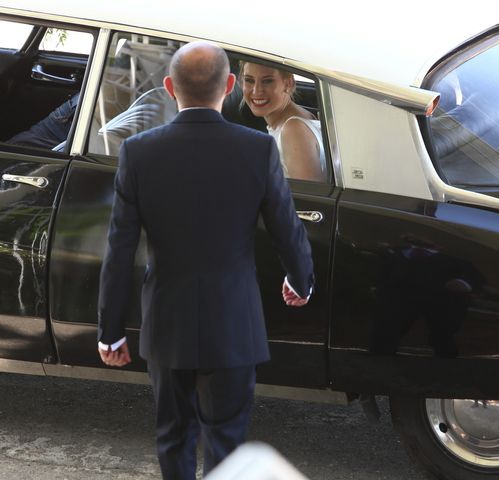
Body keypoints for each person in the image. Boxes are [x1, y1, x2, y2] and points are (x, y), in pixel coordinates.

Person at [97, 41, 314, 480]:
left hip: (167, 324)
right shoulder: (257, 149)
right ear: (231, 85)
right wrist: (300, 279)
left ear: (168, 87)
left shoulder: (138, 152)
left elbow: (119, 248)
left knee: (173, 435)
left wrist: (111, 331)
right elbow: (286, 227)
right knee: (227, 439)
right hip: (234, 322)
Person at [240, 62, 326, 182]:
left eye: (267, 81)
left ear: (288, 83)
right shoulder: (295, 119)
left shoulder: (293, 130)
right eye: (249, 80)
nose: (256, 91)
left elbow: (308, 199)